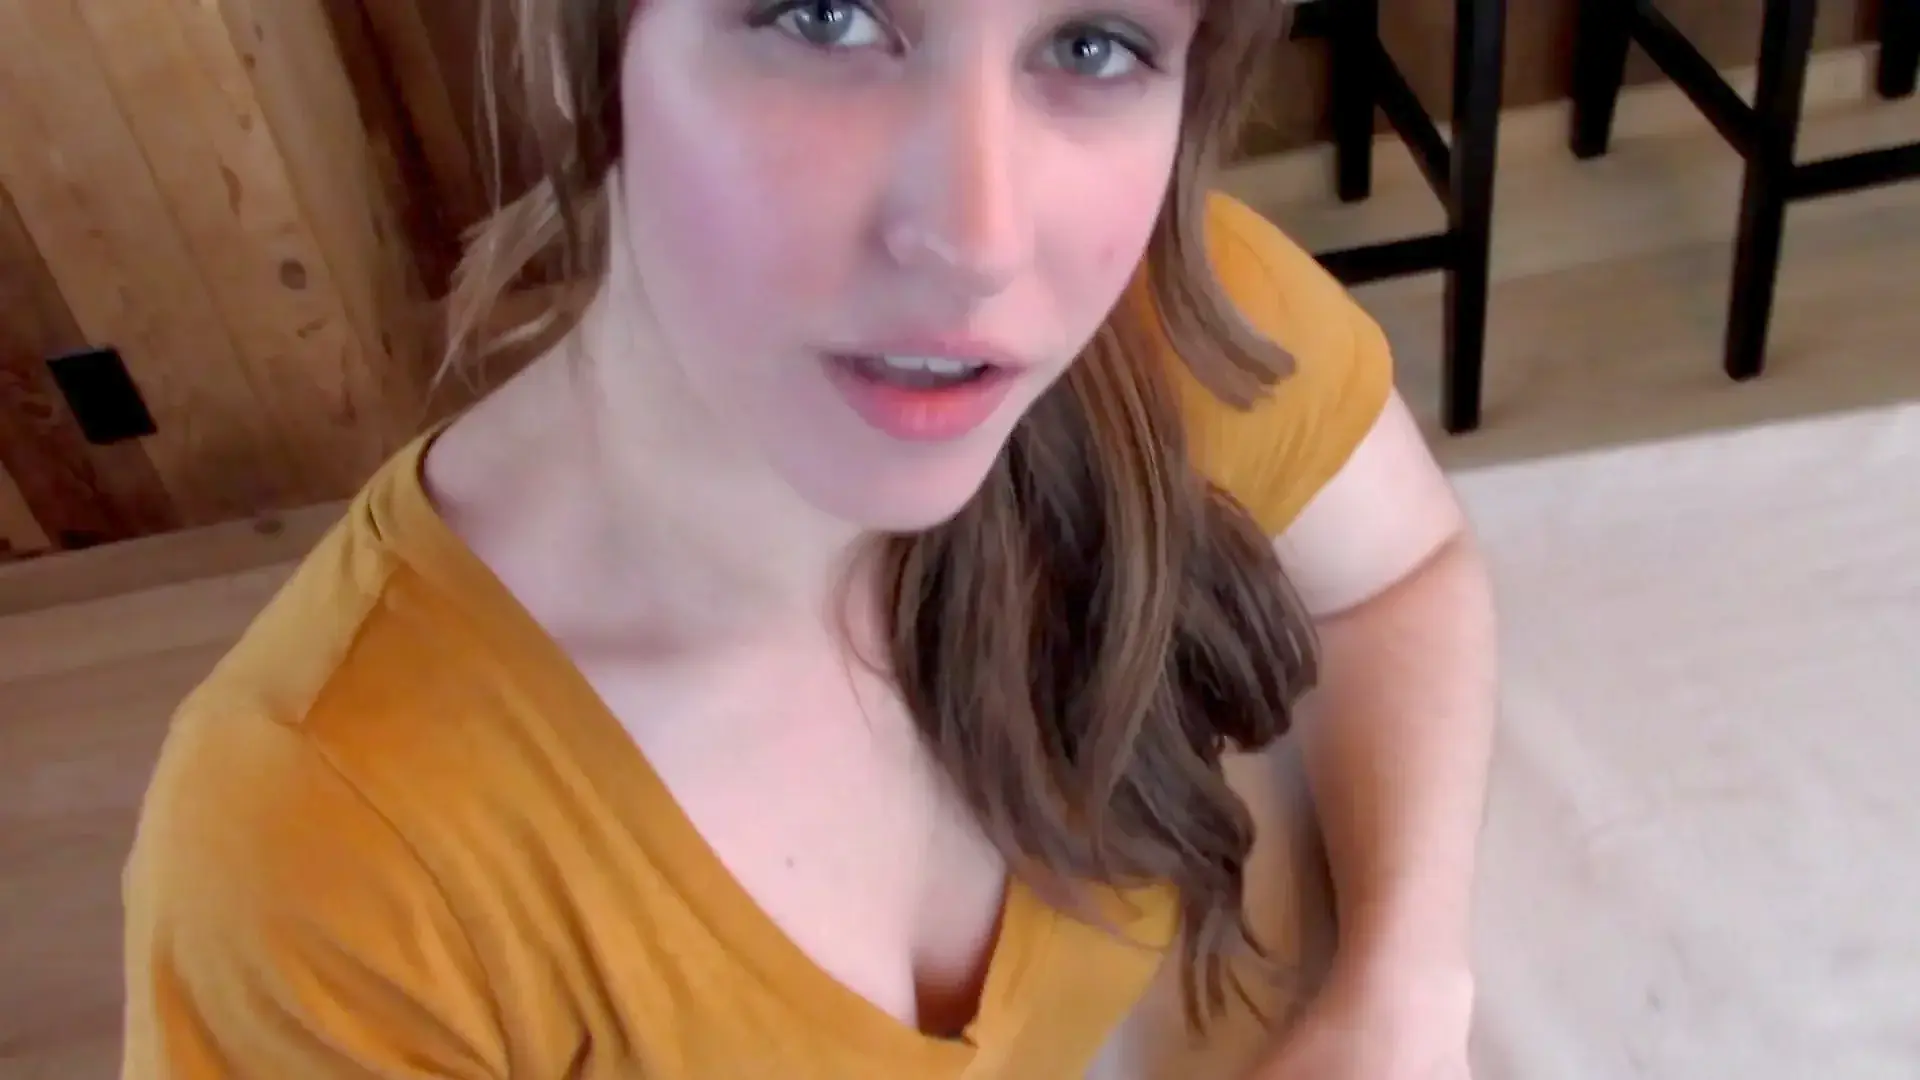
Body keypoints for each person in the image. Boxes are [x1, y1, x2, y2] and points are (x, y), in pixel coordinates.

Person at [120, 0, 1497, 1076]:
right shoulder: (319, 854)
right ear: (585, 54)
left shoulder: (1165, 339)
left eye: (1093, 42)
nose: (975, 240)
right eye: (824, 13)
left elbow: (1402, 579)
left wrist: (1398, 990)